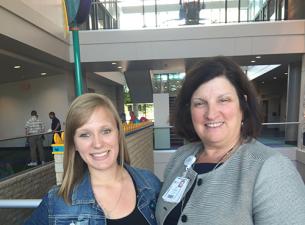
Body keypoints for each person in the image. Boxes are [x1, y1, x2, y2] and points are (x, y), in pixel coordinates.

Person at [156, 56, 305, 225]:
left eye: (224, 100)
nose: (211, 113)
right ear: (188, 108)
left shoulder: (271, 168)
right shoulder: (180, 158)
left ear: (243, 104)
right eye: (200, 103)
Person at [24, 93, 161, 225]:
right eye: (85, 134)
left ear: (118, 134)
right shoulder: (57, 202)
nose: (98, 144)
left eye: (106, 131)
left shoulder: (150, 185)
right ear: (74, 144)